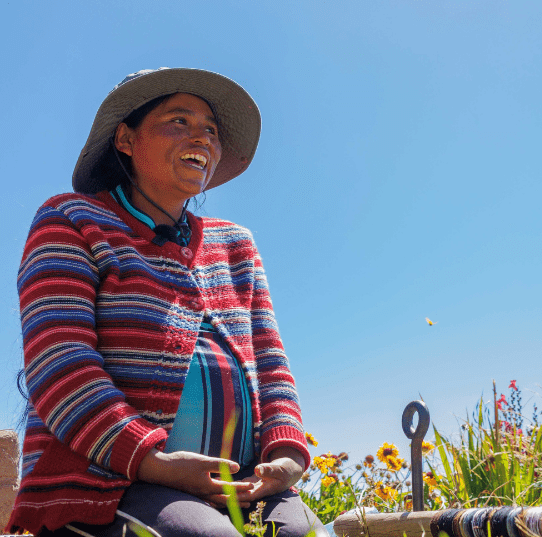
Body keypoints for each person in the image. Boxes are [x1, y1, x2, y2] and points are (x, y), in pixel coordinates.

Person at [10, 68, 328, 536]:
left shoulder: (235, 244)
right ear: (125, 138)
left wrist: (285, 455)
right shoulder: (71, 221)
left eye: (211, 130)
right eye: (179, 120)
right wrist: (152, 460)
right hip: (108, 482)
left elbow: (270, 362)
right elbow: (60, 361)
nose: (201, 136)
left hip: (242, 482)